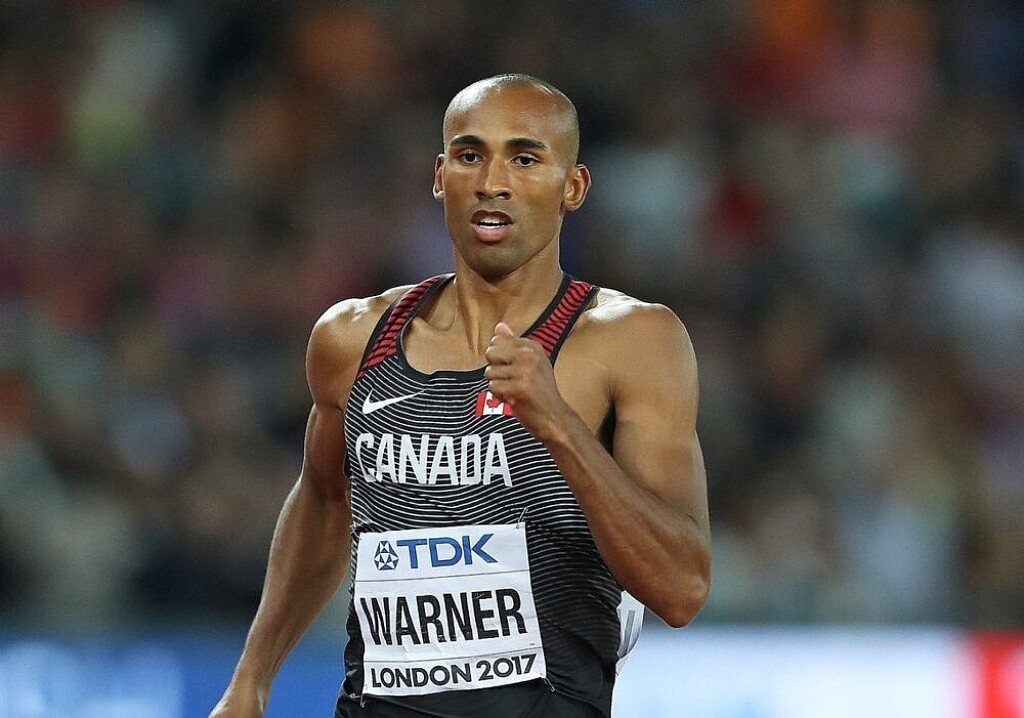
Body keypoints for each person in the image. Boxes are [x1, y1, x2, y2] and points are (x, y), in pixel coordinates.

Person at [209, 74, 711, 718]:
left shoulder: (632, 341)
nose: (492, 182)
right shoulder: (353, 339)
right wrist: (252, 678)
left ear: (573, 187)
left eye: (525, 159)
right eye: (471, 155)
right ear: (440, 176)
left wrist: (559, 425)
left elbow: (682, 589)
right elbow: (324, 499)